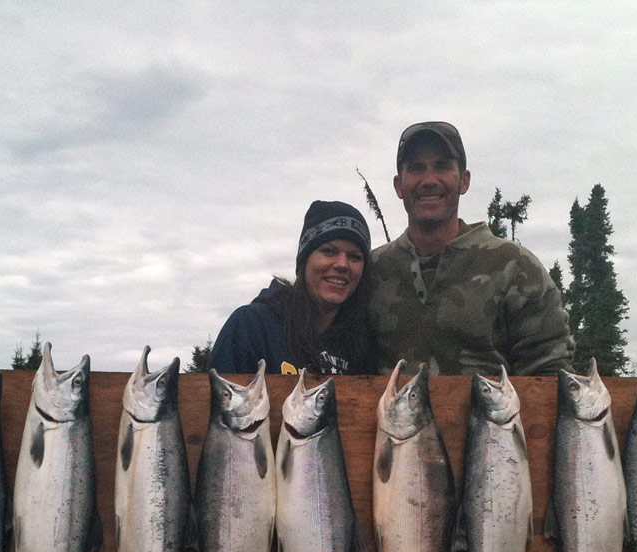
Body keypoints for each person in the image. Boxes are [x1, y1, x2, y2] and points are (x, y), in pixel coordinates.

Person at [368, 121, 573, 375]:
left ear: (464, 181)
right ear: (399, 186)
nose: (429, 180)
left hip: (494, 415)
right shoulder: (370, 270)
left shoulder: (515, 267)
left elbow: (550, 373)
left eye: (442, 166)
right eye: (417, 169)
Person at [209, 200, 376, 375]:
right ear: (305, 259)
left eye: (354, 257)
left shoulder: (363, 343)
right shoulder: (250, 327)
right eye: (328, 251)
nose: (342, 264)